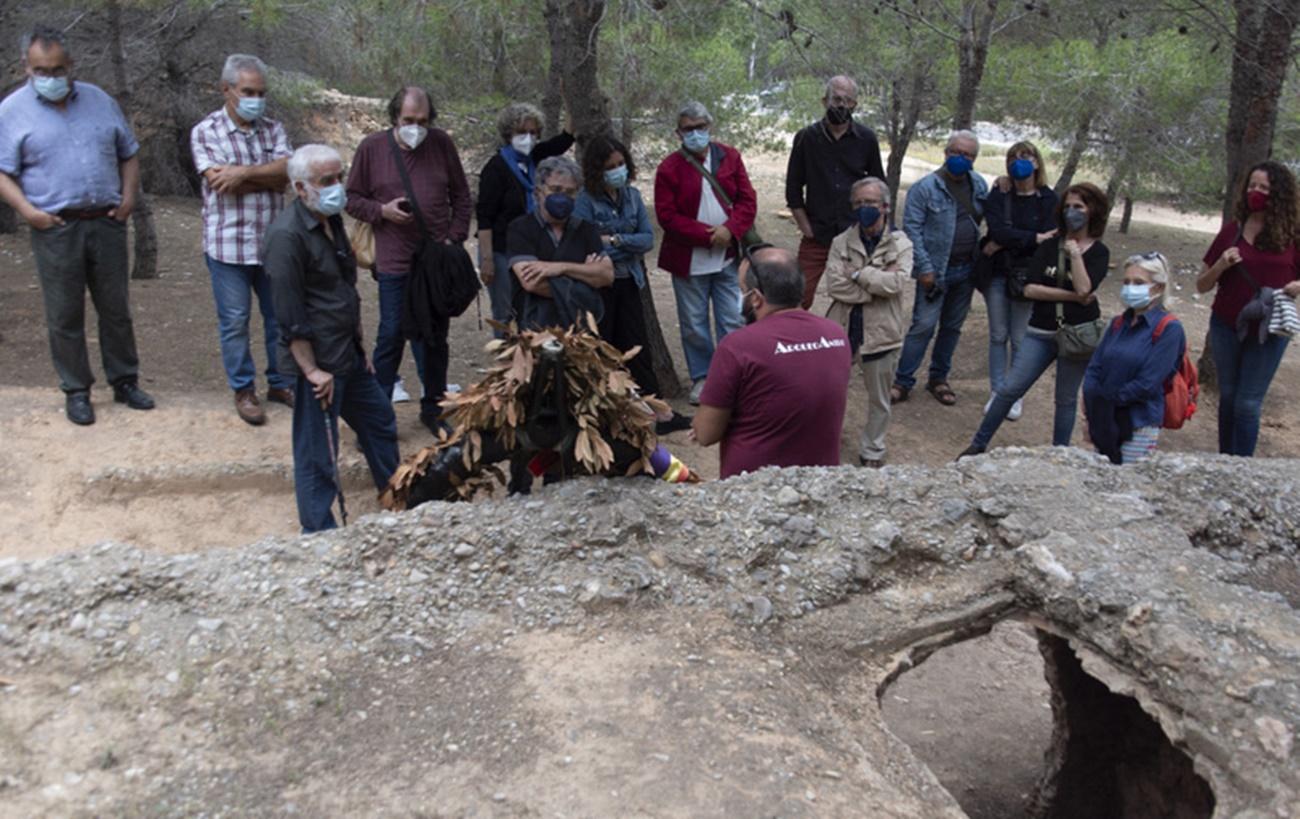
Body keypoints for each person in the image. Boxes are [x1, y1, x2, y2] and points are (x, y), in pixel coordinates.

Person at [0, 25, 154, 425]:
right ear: (26, 67)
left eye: (57, 69)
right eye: (41, 70)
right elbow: (2, 172)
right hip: (55, 226)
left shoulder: (100, 101)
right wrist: (28, 212)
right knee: (64, 313)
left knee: (116, 308)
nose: (50, 78)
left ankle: (125, 381)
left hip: (106, 221)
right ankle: (76, 390)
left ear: (71, 64)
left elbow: (129, 152)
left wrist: (128, 199)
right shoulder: (12, 112)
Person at [264, 145, 399, 533]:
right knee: (318, 454)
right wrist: (310, 370)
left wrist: (360, 346)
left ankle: (397, 496)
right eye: (326, 181)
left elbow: (345, 286)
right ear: (301, 188)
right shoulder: (286, 237)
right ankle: (318, 532)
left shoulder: (332, 220)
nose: (336, 187)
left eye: (339, 177)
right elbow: (288, 315)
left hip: (348, 356)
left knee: (379, 420)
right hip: (317, 364)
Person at [345, 85, 472, 433]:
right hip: (394, 260)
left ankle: (434, 408)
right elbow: (351, 198)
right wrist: (381, 211)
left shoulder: (441, 144)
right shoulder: (372, 148)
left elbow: (461, 195)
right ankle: (377, 416)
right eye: (408, 120)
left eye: (422, 120)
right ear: (394, 118)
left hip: (435, 261)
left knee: (433, 336)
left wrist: (453, 238)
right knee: (391, 335)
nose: (415, 127)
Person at [959, 183, 1112, 458]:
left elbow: (1085, 288)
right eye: (1067, 207)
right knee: (1009, 389)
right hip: (1040, 331)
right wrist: (1073, 296)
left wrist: (1075, 254)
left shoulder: (1099, 253)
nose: (1071, 212)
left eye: (1079, 207)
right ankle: (978, 444)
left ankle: (1060, 455)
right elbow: (1029, 289)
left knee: (1065, 400)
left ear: (1093, 211)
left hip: (1076, 334)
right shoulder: (1050, 245)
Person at [190, 53, 294, 425]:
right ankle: (243, 388)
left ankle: (281, 382)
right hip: (227, 247)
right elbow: (219, 183)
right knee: (234, 321)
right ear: (226, 90)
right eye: (248, 91)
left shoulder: (273, 129)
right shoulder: (206, 132)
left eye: (261, 92)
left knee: (278, 318)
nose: (256, 99)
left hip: (271, 244)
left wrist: (244, 173)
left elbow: (287, 174)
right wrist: (264, 176)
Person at [691, 247, 851, 478]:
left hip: (754, 488)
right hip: (821, 483)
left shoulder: (737, 346)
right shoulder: (836, 335)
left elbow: (706, 433)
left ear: (756, 298)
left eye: (741, 290)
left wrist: (702, 422)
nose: (739, 296)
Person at [574, 135, 692, 433]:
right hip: (600, 286)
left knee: (638, 349)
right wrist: (624, 244)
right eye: (610, 166)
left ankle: (657, 412)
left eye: (621, 164)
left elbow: (647, 240)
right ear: (596, 170)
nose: (618, 170)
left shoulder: (633, 196)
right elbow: (587, 246)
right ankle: (610, 417)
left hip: (630, 282)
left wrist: (613, 239)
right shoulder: (585, 203)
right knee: (605, 350)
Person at [654, 101, 755, 405]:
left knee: (732, 318)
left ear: (710, 128)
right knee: (694, 323)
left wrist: (730, 230)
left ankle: (732, 377)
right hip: (688, 260)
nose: (696, 133)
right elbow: (666, 216)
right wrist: (707, 235)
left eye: (701, 127)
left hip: (727, 258)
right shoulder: (669, 168)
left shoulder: (730, 157)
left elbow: (747, 200)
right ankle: (703, 377)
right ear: (678, 133)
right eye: (689, 129)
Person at [1197, 159, 1300, 457]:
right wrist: (1220, 264)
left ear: (1278, 193)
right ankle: (1225, 460)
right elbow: (1201, 285)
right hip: (1226, 324)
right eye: (1252, 186)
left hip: (1271, 329)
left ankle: (1243, 465)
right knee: (1228, 397)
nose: (1255, 192)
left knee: (1247, 403)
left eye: (1264, 187)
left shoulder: (1293, 235)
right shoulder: (1232, 231)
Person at [892, 130, 988, 407]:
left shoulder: (979, 185)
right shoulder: (925, 188)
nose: (961, 158)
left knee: (952, 328)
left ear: (974, 159)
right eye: (956, 152)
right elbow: (912, 229)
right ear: (946, 153)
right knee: (923, 326)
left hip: (966, 270)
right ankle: (903, 381)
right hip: (935, 272)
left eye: (967, 154)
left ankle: (938, 378)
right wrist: (925, 268)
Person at [823, 177, 913, 468]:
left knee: (879, 399)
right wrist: (876, 280)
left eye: (871, 203)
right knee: (830, 393)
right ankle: (825, 442)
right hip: (842, 330)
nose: (864, 208)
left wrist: (857, 274)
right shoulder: (841, 242)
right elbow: (835, 287)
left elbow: (896, 285)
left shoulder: (901, 243)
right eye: (859, 203)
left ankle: (872, 449)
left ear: (885, 206)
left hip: (882, 334)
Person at [786, 75, 886, 310]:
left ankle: (846, 345)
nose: (841, 105)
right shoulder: (806, 138)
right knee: (797, 298)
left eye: (847, 100)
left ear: (854, 105)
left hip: (854, 234)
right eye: (836, 99)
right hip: (816, 235)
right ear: (825, 101)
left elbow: (878, 186)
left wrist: (871, 225)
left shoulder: (867, 139)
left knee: (855, 298)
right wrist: (805, 226)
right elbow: (793, 188)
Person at [476, 103, 575, 330]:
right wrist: (487, 260)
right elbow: (484, 216)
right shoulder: (496, 167)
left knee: (529, 309)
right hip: (500, 251)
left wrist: (568, 99)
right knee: (503, 314)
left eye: (533, 133)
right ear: (508, 133)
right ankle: (506, 360)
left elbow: (565, 139)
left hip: (528, 249)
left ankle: (528, 359)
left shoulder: (535, 159)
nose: (528, 138)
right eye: (522, 132)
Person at [980, 141, 1058, 422]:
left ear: (1037, 162)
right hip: (997, 275)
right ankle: (997, 391)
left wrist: (1011, 240)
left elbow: (1049, 238)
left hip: (1028, 277)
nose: (1019, 162)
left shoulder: (1049, 199)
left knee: (1019, 337)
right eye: (1013, 157)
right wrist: (1031, 238)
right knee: (998, 335)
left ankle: (1014, 394)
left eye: (1025, 156)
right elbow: (997, 230)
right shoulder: (1000, 193)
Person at [1084, 253, 1185, 464]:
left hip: (1138, 423)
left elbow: (1148, 382)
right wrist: (1094, 403)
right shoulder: (1118, 324)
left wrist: (1107, 401)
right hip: (1104, 419)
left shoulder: (1169, 330)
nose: (1131, 288)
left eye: (1139, 283)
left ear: (1157, 288)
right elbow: (1095, 366)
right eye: (1127, 282)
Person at [506, 156, 614, 330]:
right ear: (538, 191)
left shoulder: (586, 230)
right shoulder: (520, 228)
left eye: (569, 192)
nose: (562, 197)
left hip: (580, 333)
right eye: (555, 189)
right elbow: (532, 282)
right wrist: (585, 281)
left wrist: (560, 268)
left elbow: (606, 275)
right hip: (532, 329)